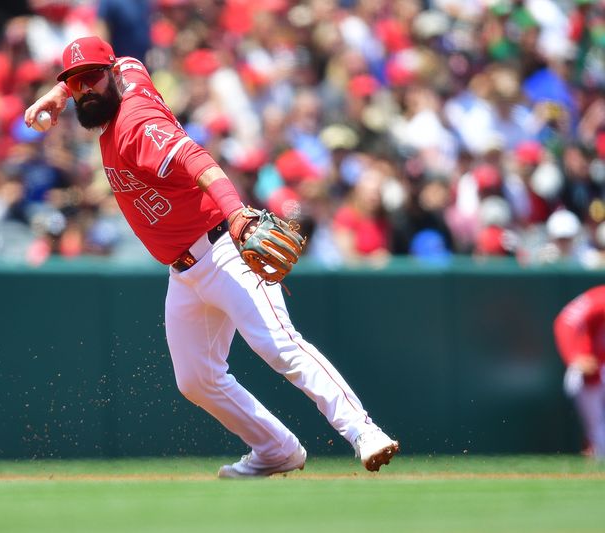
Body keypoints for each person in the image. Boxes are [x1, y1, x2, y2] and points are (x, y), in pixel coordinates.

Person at [24, 36, 400, 477]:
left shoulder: (136, 123)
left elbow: (195, 157)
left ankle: (363, 431)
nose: (83, 89)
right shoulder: (128, 78)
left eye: (90, 78)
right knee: (196, 379)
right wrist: (55, 93)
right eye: (74, 81)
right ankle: (277, 450)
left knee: (280, 346)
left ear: (108, 76)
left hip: (223, 249)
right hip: (184, 271)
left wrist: (237, 212)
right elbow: (126, 60)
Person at [554, 285, 605, 458]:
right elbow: (565, 321)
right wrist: (574, 356)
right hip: (589, 372)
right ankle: (594, 447)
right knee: (599, 438)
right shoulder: (600, 298)